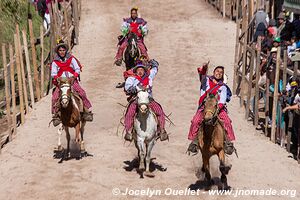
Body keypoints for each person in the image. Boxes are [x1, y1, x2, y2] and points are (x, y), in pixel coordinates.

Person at [187, 63, 235, 154]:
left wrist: (217, 108)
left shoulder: (223, 87)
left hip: (217, 108)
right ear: (213, 72)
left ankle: (228, 142)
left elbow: (222, 100)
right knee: (196, 121)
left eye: (221, 72)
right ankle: (194, 141)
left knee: (227, 121)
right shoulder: (206, 81)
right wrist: (205, 68)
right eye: (217, 71)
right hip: (205, 107)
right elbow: (202, 75)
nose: (219, 73)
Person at [123, 59, 168, 142]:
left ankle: (162, 130)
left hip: (149, 100)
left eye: (142, 70)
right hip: (136, 100)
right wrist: (132, 89)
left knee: (159, 111)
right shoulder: (131, 79)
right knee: (129, 114)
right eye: (138, 70)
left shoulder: (149, 77)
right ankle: (128, 132)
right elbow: (127, 87)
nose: (140, 71)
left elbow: (155, 69)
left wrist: (154, 63)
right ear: (135, 71)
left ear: (144, 71)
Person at [51, 40, 93, 126]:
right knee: (55, 97)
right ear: (58, 51)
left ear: (66, 50)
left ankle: (86, 111)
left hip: (72, 81)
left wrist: (74, 76)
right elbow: (53, 74)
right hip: (61, 83)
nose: (62, 52)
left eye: (63, 50)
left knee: (81, 92)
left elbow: (77, 68)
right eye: (60, 50)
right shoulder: (55, 62)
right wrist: (58, 79)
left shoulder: (71, 59)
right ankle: (56, 116)